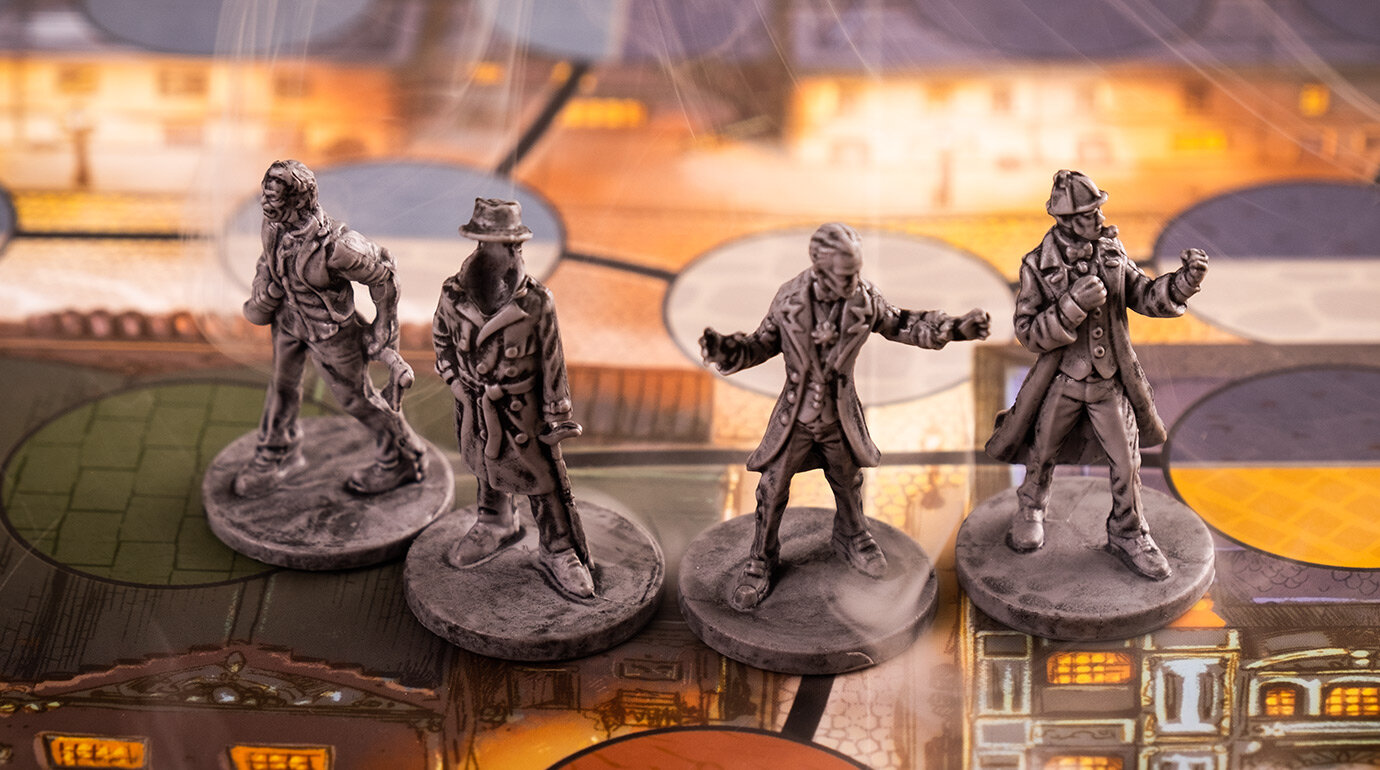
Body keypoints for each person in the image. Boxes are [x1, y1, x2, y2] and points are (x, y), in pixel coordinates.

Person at [702, 223, 989, 611]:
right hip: (795, 417)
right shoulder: (790, 300)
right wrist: (727, 350)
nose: (853, 281)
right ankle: (761, 559)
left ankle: (852, 535)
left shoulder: (864, 298)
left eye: (856, 271)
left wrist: (954, 328)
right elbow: (760, 345)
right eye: (844, 275)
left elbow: (902, 323)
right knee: (772, 489)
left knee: (848, 481)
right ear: (820, 269)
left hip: (839, 414)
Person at [986, 169, 1209, 580]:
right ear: (1067, 220)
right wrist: (1071, 305)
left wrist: (1182, 284)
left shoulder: (1111, 252)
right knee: (1042, 451)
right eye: (1090, 213)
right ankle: (1031, 507)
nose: (1099, 218)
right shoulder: (1038, 265)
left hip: (1108, 382)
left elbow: (1145, 296)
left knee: (1126, 463)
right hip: (1062, 381)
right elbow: (1028, 333)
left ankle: (1128, 531)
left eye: (1098, 210)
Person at [432, 198, 593, 599]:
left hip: (524, 411)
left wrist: (557, 415)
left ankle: (558, 549)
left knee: (540, 479)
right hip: (474, 404)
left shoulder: (536, 302)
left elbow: (553, 360)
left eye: (509, 244)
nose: (507, 251)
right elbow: (441, 340)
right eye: (495, 243)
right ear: (480, 245)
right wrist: (455, 382)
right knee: (485, 467)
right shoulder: (453, 296)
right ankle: (495, 522)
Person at [236, 159, 426, 498]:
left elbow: (385, 274)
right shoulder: (273, 225)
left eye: (274, 198)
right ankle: (277, 451)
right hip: (287, 323)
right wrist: (262, 287)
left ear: (298, 201)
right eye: (265, 195)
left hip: (333, 334)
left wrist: (384, 325)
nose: (265, 204)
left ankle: (402, 457)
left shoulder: (339, 247)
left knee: (356, 399)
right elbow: (267, 260)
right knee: (282, 388)